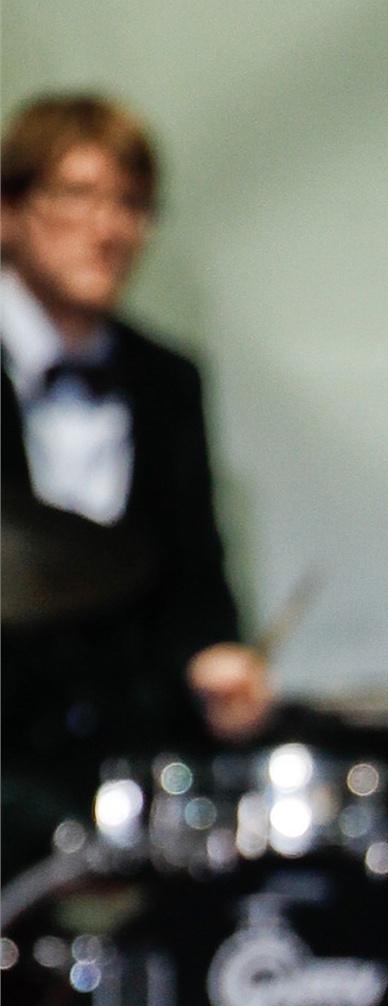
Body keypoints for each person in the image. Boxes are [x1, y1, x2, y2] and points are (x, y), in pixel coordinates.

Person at [1, 93, 270, 870]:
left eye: (132, 204)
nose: (109, 228)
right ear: (9, 212)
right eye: (78, 196)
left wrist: (214, 658)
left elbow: (196, 578)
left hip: (133, 771)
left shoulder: (167, 379)